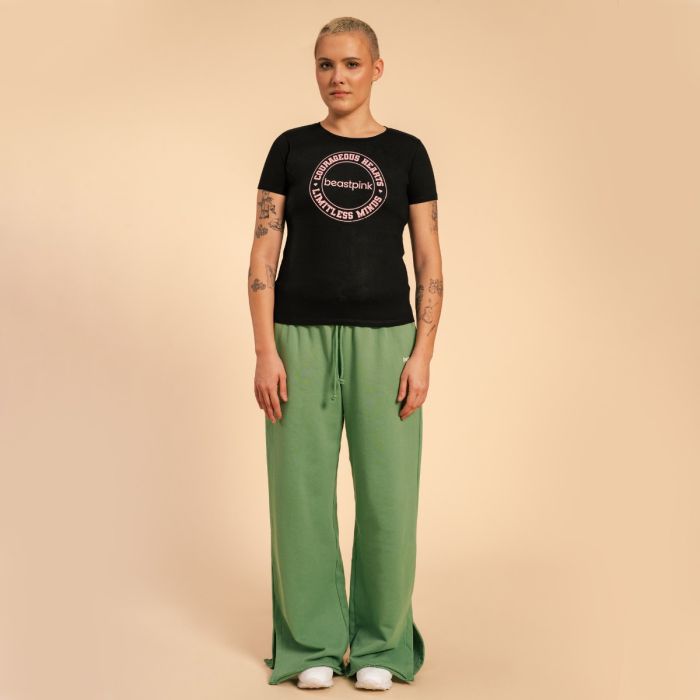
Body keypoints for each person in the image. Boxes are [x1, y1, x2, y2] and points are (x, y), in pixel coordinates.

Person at [248, 16, 443, 690]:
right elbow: (263, 255)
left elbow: (430, 262)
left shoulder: (408, 153)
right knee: (298, 494)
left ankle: (383, 646)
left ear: (376, 69)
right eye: (326, 64)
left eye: (352, 64)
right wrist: (265, 350)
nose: (338, 77)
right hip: (297, 338)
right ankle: (311, 645)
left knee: (390, 496)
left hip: (387, 339)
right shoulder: (290, 148)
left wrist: (422, 354)